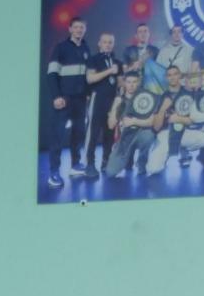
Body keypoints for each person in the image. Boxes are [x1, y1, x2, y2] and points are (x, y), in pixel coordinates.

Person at [43, 17, 94, 187]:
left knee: (78, 133)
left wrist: (87, 94)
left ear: (85, 30)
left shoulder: (86, 48)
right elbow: (51, 74)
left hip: (80, 99)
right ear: (70, 29)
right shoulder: (61, 48)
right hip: (64, 99)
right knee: (57, 136)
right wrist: (56, 96)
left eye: (82, 27)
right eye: (76, 27)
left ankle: (75, 165)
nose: (79, 30)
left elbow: (87, 75)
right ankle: (54, 172)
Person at [103, 70, 163, 178]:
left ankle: (142, 162)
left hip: (140, 134)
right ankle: (127, 158)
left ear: (139, 82)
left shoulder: (146, 97)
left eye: (134, 82)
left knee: (149, 135)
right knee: (110, 172)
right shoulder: (119, 100)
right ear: (124, 83)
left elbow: (151, 122)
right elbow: (111, 125)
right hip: (125, 138)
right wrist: (116, 104)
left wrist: (134, 121)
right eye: (129, 82)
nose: (131, 85)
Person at [83, 32, 122, 173]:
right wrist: (109, 71)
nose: (107, 45)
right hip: (97, 98)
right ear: (99, 43)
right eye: (105, 42)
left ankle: (106, 160)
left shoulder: (117, 62)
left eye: (110, 42)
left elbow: (120, 83)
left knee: (109, 132)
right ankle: (89, 163)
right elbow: (90, 79)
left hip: (112, 100)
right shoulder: (93, 59)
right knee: (93, 132)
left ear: (113, 44)